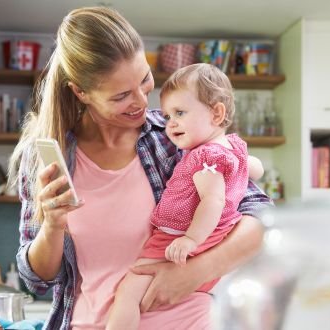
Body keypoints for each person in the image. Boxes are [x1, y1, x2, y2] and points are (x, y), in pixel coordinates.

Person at [7, 7, 273, 330]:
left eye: (145, 79)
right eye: (121, 96)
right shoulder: (48, 159)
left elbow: (261, 221)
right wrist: (52, 225)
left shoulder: (176, 138)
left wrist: (191, 274)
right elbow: (37, 280)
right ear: (81, 93)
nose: (142, 102)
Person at [106, 63, 263, 329]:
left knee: (128, 293)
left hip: (177, 241)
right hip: (216, 240)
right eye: (168, 116)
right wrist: (246, 165)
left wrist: (190, 239)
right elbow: (254, 169)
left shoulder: (204, 157)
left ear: (217, 113)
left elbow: (213, 201)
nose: (171, 123)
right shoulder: (233, 147)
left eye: (180, 112)